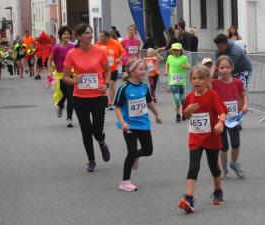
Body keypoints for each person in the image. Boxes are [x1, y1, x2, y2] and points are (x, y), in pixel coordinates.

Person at [178, 65, 228, 213]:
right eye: (194, 78)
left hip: (211, 137)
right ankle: (189, 198)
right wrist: (187, 111)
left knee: (213, 166)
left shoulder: (212, 95)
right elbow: (185, 116)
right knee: (193, 167)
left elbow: (222, 112)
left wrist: (220, 123)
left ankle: (218, 191)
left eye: (200, 78)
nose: (196, 81)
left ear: (207, 80)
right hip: (195, 138)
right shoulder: (189, 97)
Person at [62, 23, 111, 173]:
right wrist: (74, 81)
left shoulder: (100, 51)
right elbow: (65, 77)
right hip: (80, 98)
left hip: (98, 96)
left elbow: (108, 71)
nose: (90, 35)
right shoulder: (72, 54)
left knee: (97, 130)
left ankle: (102, 142)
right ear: (78, 36)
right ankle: (91, 160)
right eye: (87, 33)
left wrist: (106, 84)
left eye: (91, 32)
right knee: (86, 131)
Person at [114, 59, 162, 191]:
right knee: (131, 151)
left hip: (143, 123)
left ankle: (137, 155)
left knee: (148, 150)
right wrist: (123, 123)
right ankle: (125, 182)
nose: (144, 71)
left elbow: (149, 102)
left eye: (145, 69)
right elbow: (118, 108)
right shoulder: (124, 88)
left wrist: (157, 114)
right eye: (141, 69)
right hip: (129, 125)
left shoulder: (144, 87)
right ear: (132, 71)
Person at [212, 55, 249, 179]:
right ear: (217, 69)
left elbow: (243, 95)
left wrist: (245, 105)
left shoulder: (238, 82)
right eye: (221, 68)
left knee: (236, 144)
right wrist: (211, 73)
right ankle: (224, 169)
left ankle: (233, 163)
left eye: (227, 67)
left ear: (232, 67)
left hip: (233, 118)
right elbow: (205, 85)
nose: (225, 70)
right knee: (224, 146)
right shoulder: (214, 83)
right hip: (220, 119)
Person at [50, 26, 75, 127]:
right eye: (64, 34)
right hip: (59, 76)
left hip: (70, 75)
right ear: (60, 36)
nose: (66, 36)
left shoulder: (72, 47)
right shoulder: (56, 48)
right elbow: (49, 60)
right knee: (61, 97)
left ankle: (69, 118)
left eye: (68, 34)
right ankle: (60, 106)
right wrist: (49, 73)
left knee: (70, 98)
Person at [95, 30, 125, 109]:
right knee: (103, 86)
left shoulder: (115, 43)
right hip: (101, 70)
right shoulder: (98, 44)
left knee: (111, 85)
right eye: (100, 37)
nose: (100, 39)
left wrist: (119, 58)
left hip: (113, 68)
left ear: (108, 37)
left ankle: (111, 103)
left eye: (102, 37)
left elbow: (123, 53)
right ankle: (104, 102)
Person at [164, 42, 190, 122]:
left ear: (181, 51)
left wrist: (184, 66)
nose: (175, 52)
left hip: (182, 82)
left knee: (182, 99)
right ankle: (177, 114)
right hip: (173, 81)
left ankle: (183, 113)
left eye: (177, 50)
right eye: (174, 50)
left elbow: (188, 67)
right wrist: (166, 71)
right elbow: (167, 64)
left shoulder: (184, 58)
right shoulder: (169, 57)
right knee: (176, 98)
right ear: (171, 51)